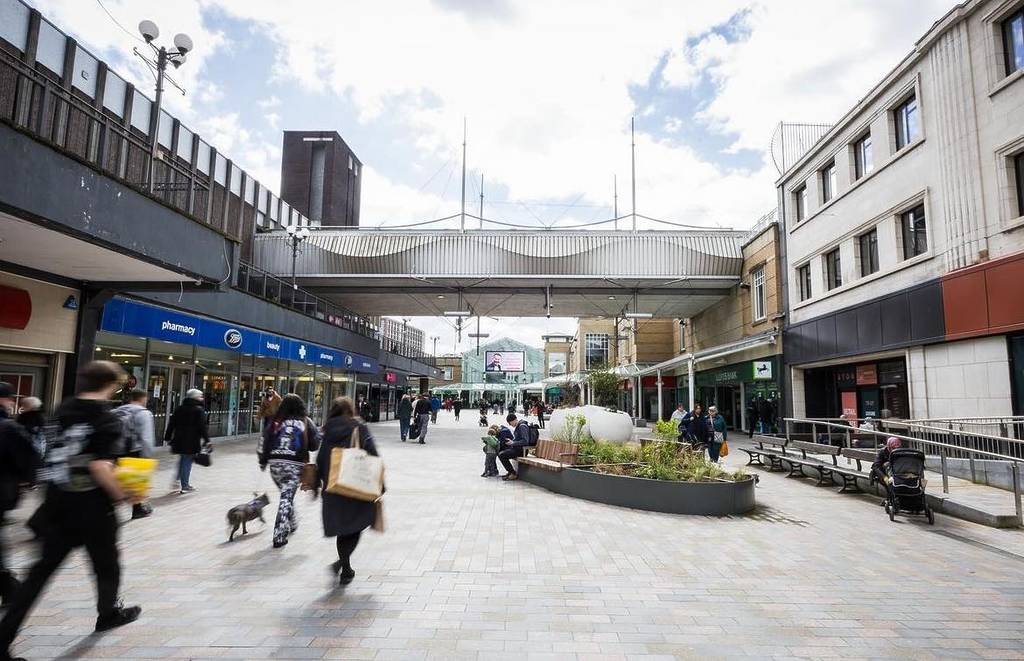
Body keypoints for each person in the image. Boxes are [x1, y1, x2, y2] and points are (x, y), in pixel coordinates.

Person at [0, 363, 141, 661]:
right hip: (93, 508)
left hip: (56, 503)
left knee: (38, 576)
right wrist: (123, 495)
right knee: (107, 566)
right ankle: (108, 613)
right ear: (112, 385)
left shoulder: (62, 409)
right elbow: (100, 466)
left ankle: (3, 639)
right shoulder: (106, 418)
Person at [315, 397, 380, 585]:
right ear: (351, 410)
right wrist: (380, 485)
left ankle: (345, 566)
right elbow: (373, 454)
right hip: (356, 485)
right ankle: (342, 565)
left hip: (333, 487)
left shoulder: (327, 430)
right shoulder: (359, 428)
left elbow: (320, 459)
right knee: (356, 526)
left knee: (343, 530)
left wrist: (319, 482)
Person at [260, 394, 320, 549]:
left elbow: (264, 441)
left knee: (286, 495)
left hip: (275, 465)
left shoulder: (276, 421)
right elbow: (315, 444)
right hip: (294, 464)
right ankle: (279, 535)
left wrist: (263, 461)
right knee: (286, 498)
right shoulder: (305, 421)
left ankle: (292, 522)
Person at [0, 383, 36, 609]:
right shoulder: (8, 427)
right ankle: (8, 587)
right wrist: (28, 480)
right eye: (10, 398)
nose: (12, 402)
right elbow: (28, 457)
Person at [113, 390, 156, 520]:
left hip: (116, 451)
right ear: (143, 398)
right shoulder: (143, 413)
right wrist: (147, 457)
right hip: (134, 451)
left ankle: (111, 506)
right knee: (135, 483)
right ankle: (137, 509)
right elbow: (146, 438)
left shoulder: (116, 411)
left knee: (117, 480)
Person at [164, 389, 210, 494]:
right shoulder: (198, 410)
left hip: (179, 440)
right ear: (195, 397)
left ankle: (177, 480)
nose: (202, 398)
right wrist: (207, 440)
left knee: (183, 460)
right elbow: (202, 427)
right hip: (191, 441)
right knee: (187, 462)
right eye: (200, 396)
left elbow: (172, 424)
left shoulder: (179, 409)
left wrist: (167, 437)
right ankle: (185, 485)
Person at [497, 412, 533, 481]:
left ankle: (513, 473)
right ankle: (510, 472)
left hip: (522, 450)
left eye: (510, 423)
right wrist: (511, 441)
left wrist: (513, 443)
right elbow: (518, 439)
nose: (510, 425)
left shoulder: (522, 426)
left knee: (502, 455)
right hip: (518, 448)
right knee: (501, 452)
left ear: (514, 420)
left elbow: (525, 441)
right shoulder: (519, 426)